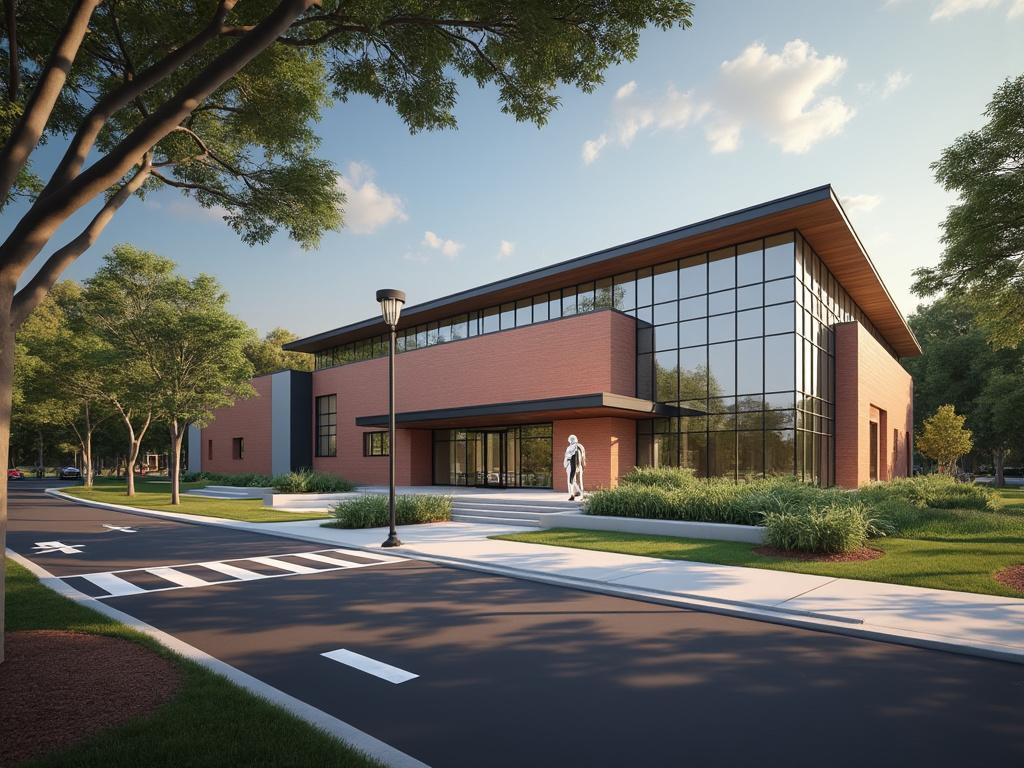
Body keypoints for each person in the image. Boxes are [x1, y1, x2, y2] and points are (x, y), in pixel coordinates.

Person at [563, 434, 586, 500]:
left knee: (570, 480)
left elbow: (566, 458)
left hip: (570, 466)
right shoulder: (581, 446)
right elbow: (583, 458)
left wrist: (565, 465)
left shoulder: (569, 448)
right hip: (580, 466)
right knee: (580, 480)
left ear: (569, 440)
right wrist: (582, 466)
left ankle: (572, 494)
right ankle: (581, 494)